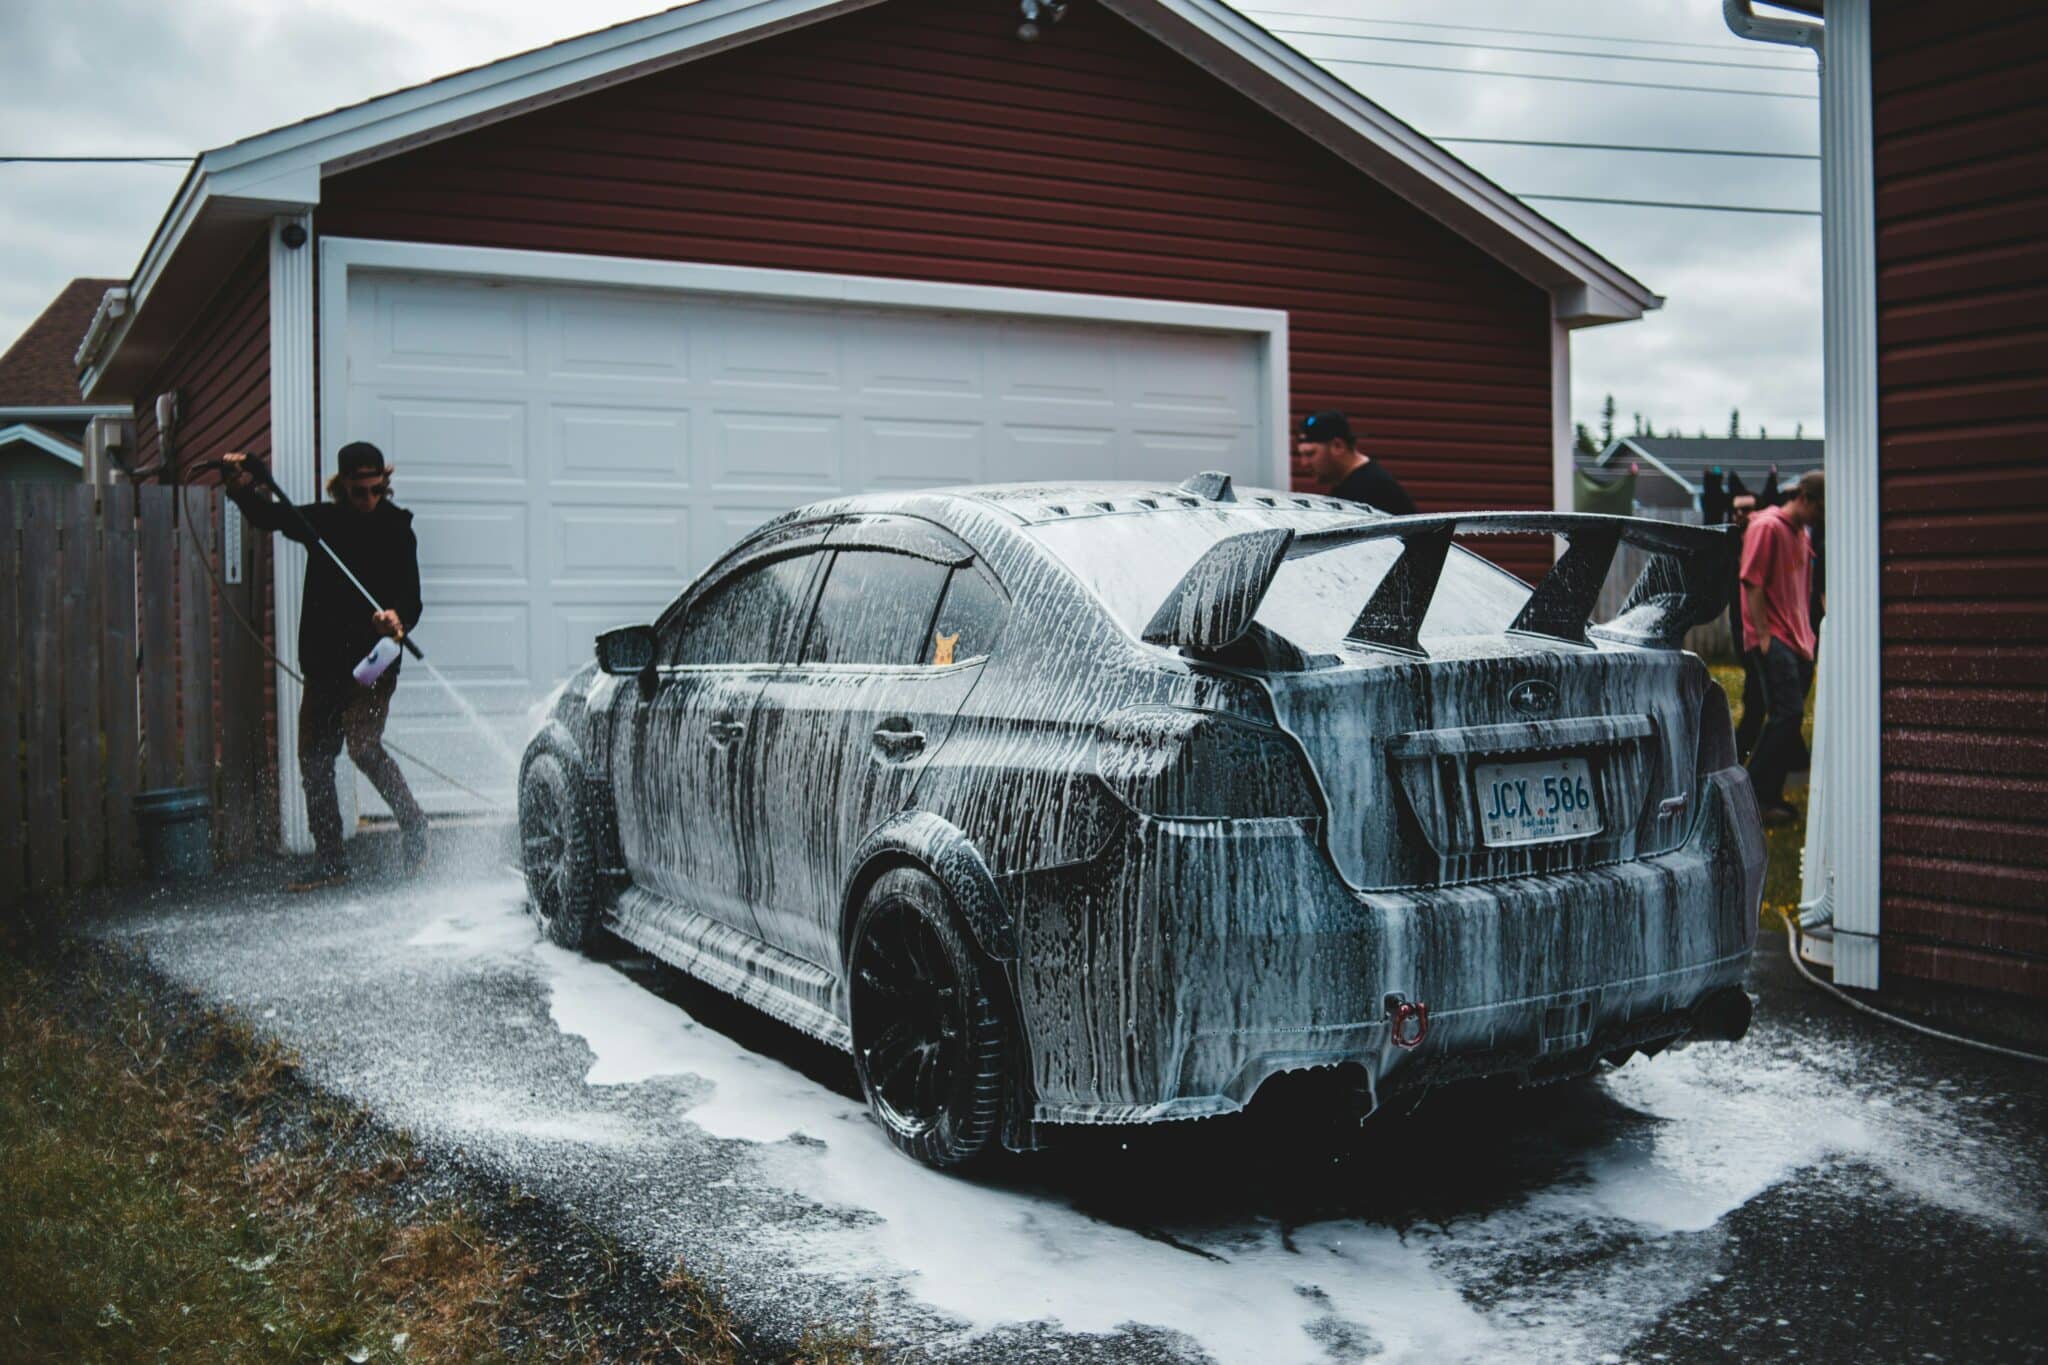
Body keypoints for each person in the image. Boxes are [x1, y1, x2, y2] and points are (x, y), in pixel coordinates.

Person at [221, 442, 429, 889]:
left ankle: (414, 825)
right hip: (324, 662)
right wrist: (240, 489)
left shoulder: (397, 529)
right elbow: (268, 516)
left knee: (363, 747)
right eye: (359, 492)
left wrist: (398, 619)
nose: (369, 500)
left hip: (374, 660)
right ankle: (331, 859)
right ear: (342, 488)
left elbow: (410, 597)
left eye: (377, 490)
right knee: (315, 759)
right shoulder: (323, 523)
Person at [1740, 469, 1823, 826]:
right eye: (1820, 509)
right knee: (1786, 715)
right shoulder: (1767, 527)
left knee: (1787, 722)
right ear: (1804, 498)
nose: (1821, 519)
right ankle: (1750, 798)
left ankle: (1768, 798)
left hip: (1800, 641)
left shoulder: (1801, 535)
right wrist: (1763, 636)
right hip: (1774, 638)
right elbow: (1751, 582)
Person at [1296, 410, 1416, 515]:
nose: (1304, 463)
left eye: (1310, 454)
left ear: (1338, 446)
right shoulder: (1352, 484)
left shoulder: (1370, 490)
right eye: (1301, 455)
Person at [1725, 491, 1768, 762]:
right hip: (1741, 625)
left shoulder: (1761, 539)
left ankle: (1742, 749)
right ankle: (1741, 750)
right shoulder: (1730, 544)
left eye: (1747, 509)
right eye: (1737, 510)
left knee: (1760, 691)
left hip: (1760, 625)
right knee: (1757, 689)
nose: (1741, 515)